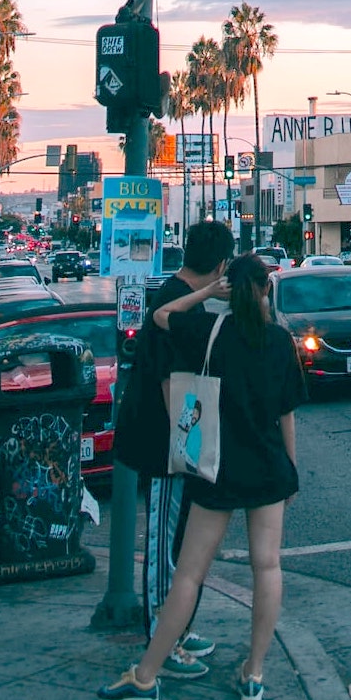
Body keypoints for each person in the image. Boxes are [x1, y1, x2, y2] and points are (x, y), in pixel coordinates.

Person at [98, 254, 304, 700]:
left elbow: (161, 316)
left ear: (230, 288)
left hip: (218, 466)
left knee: (188, 574)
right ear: (267, 290)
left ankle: (146, 676)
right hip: (269, 468)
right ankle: (254, 673)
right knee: (267, 568)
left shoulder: (211, 332)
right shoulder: (279, 341)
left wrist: (209, 293)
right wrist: (291, 471)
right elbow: (286, 413)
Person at [108, 220, 233, 672]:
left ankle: (177, 628)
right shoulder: (173, 304)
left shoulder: (178, 300)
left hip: (178, 440)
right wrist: (184, 444)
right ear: (221, 264)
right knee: (163, 542)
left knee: (178, 540)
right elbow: (169, 381)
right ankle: (161, 638)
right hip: (164, 444)